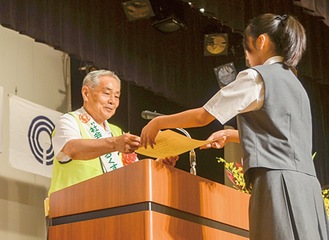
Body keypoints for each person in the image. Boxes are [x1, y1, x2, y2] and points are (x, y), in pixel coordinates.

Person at [140, 13, 329, 240]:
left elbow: (203, 116)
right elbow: (284, 138)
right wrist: (232, 135)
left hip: (277, 183)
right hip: (308, 189)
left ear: (261, 41)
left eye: (246, 47)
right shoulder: (297, 85)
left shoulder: (256, 77)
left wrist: (159, 122)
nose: (247, 58)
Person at [48, 70, 178, 195]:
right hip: (71, 207)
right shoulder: (69, 121)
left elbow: (133, 173)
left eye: (117, 96)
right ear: (86, 93)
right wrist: (114, 144)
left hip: (110, 208)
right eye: (106, 93)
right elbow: (72, 149)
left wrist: (157, 166)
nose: (112, 101)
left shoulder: (117, 132)